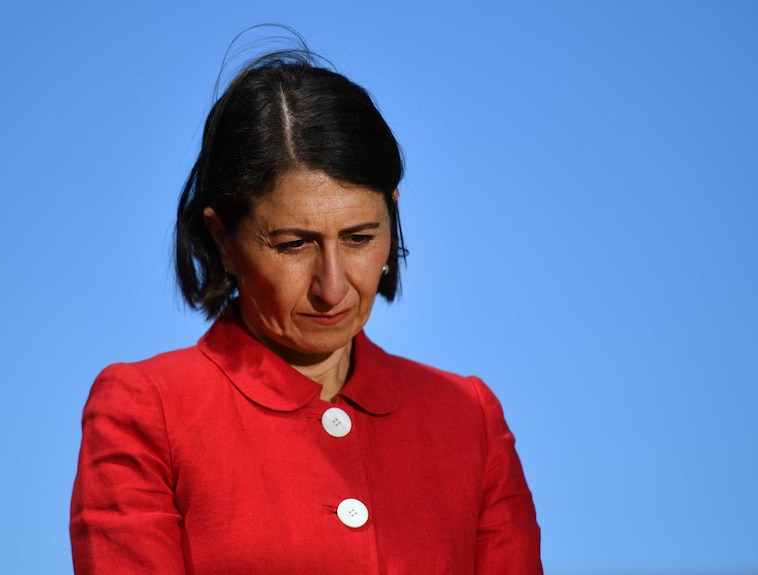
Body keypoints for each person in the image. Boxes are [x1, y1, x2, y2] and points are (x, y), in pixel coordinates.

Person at [70, 44, 542, 574]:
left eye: (361, 238)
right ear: (221, 235)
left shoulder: (467, 419)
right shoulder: (146, 411)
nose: (333, 287)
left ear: (394, 214)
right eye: (294, 244)